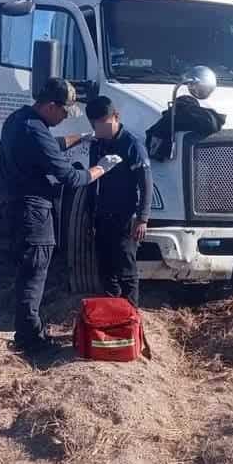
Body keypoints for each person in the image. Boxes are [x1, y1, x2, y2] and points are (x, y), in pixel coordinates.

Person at [0, 78, 122, 352]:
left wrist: (81, 136)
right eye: (65, 111)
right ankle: (30, 339)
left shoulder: (19, 120)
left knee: (27, 272)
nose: (66, 116)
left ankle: (28, 330)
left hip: (16, 208)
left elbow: (50, 144)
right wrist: (100, 169)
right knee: (34, 274)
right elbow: (68, 176)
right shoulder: (35, 130)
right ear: (51, 106)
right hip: (33, 214)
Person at [87, 96, 152, 307]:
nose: (99, 129)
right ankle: (110, 312)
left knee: (126, 269)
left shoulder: (131, 145)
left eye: (103, 124)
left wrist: (142, 218)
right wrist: (90, 215)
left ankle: (131, 316)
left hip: (125, 217)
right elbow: (90, 180)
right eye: (95, 125)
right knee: (106, 268)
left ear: (116, 117)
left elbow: (146, 184)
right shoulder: (97, 145)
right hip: (102, 216)